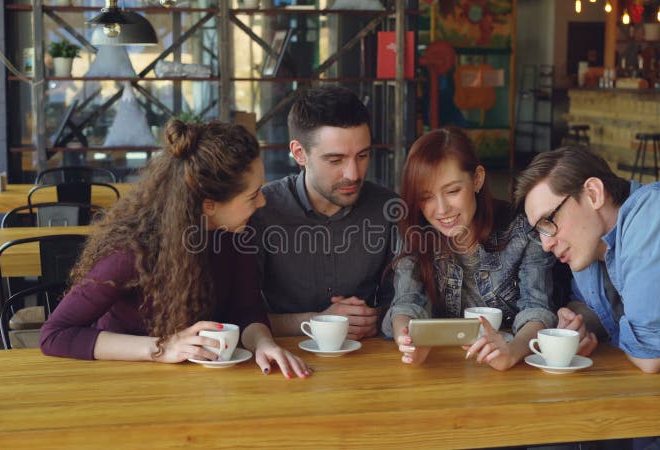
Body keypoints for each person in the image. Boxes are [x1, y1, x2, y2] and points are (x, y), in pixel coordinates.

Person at [40, 120, 311, 379]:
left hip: (201, 387)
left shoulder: (235, 232)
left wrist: (263, 344)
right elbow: (54, 335)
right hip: (125, 383)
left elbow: (246, 310)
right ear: (209, 205)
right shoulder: (132, 251)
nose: (262, 202)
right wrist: (161, 348)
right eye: (252, 195)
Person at [514, 147, 660, 449]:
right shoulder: (588, 249)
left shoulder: (657, 212)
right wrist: (579, 324)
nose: (547, 244)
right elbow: (589, 306)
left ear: (592, 193)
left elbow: (651, 357)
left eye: (549, 221)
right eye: (538, 231)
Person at [382, 127, 557, 370]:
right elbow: (406, 303)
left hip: (513, 373)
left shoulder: (521, 229)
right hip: (444, 370)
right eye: (426, 197)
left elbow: (537, 310)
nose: (441, 209)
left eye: (453, 191)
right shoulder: (414, 231)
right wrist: (409, 339)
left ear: (477, 179)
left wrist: (511, 351)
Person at [249, 86, 398, 340]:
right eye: (335, 160)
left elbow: (405, 302)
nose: (353, 173)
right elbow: (240, 316)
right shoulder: (262, 211)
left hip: (368, 361)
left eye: (362, 156)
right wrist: (317, 322)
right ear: (299, 154)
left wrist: (377, 319)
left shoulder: (389, 210)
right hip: (282, 361)